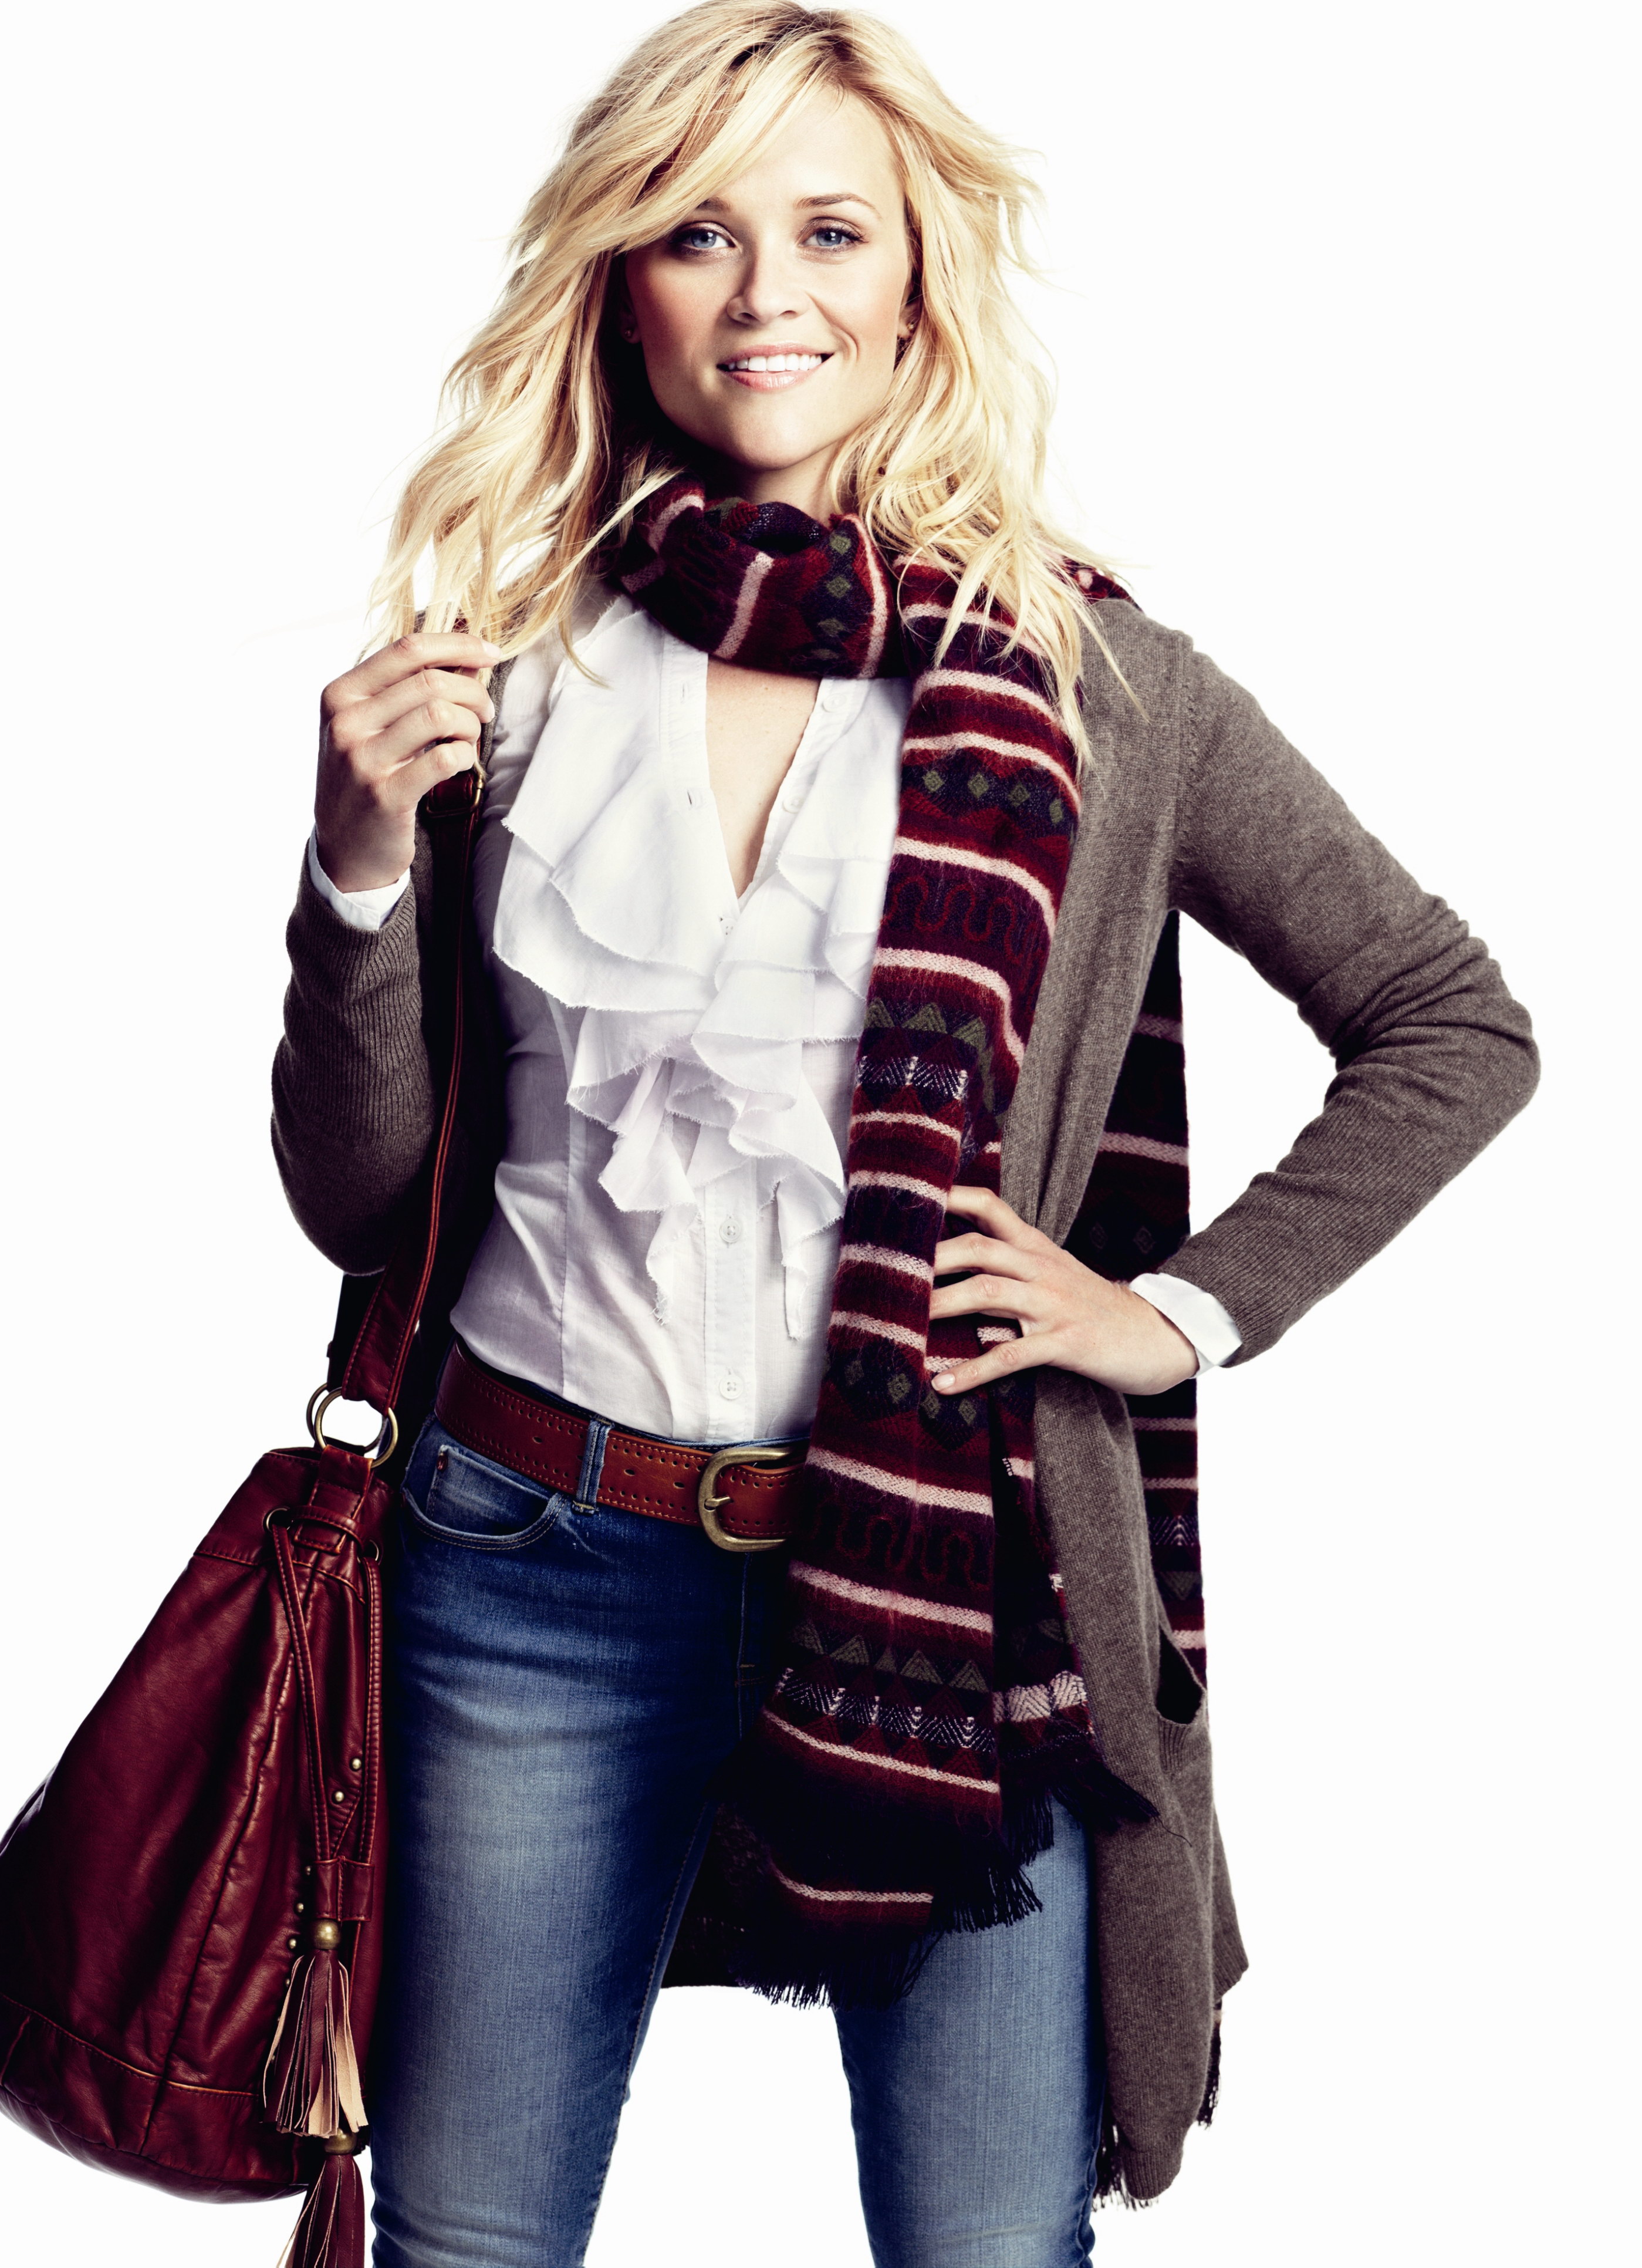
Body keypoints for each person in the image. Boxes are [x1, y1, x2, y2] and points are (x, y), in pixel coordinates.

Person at [271, 5, 1538, 2262]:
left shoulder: (1101, 687)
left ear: (920, 276)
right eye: (697, 231)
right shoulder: (504, 668)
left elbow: (1449, 1022)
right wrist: (355, 873)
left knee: (986, 2244)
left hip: (967, 1579)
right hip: (532, 1548)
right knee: (467, 2240)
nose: (769, 292)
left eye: (832, 230)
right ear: (615, 286)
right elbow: (358, 1197)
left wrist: (1173, 1313)